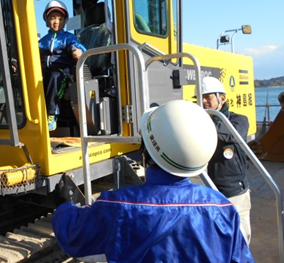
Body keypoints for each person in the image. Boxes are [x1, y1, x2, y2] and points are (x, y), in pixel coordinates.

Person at [52, 100, 254, 262]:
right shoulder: (222, 209)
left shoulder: (118, 206)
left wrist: (63, 206)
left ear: (145, 151)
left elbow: (73, 236)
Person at [198, 76, 252, 245]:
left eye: (208, 97)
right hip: (207, 190)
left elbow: (231, 134)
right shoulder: (199, 120)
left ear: (222, 98)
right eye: (201, 97)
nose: (204, 101)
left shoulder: (239, 119)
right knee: (213, 239)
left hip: (234, 191)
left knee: (240, 237)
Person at [39, 0, 86, 131]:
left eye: (60, 18)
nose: (56, 21)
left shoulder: (68, 38)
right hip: (46, 71)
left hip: (63, 72)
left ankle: (52, 114)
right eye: (52, 18)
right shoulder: (43, 41)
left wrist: (76, 50)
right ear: (46, 21)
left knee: (55, 77)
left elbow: (79, 47)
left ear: (65, 21)